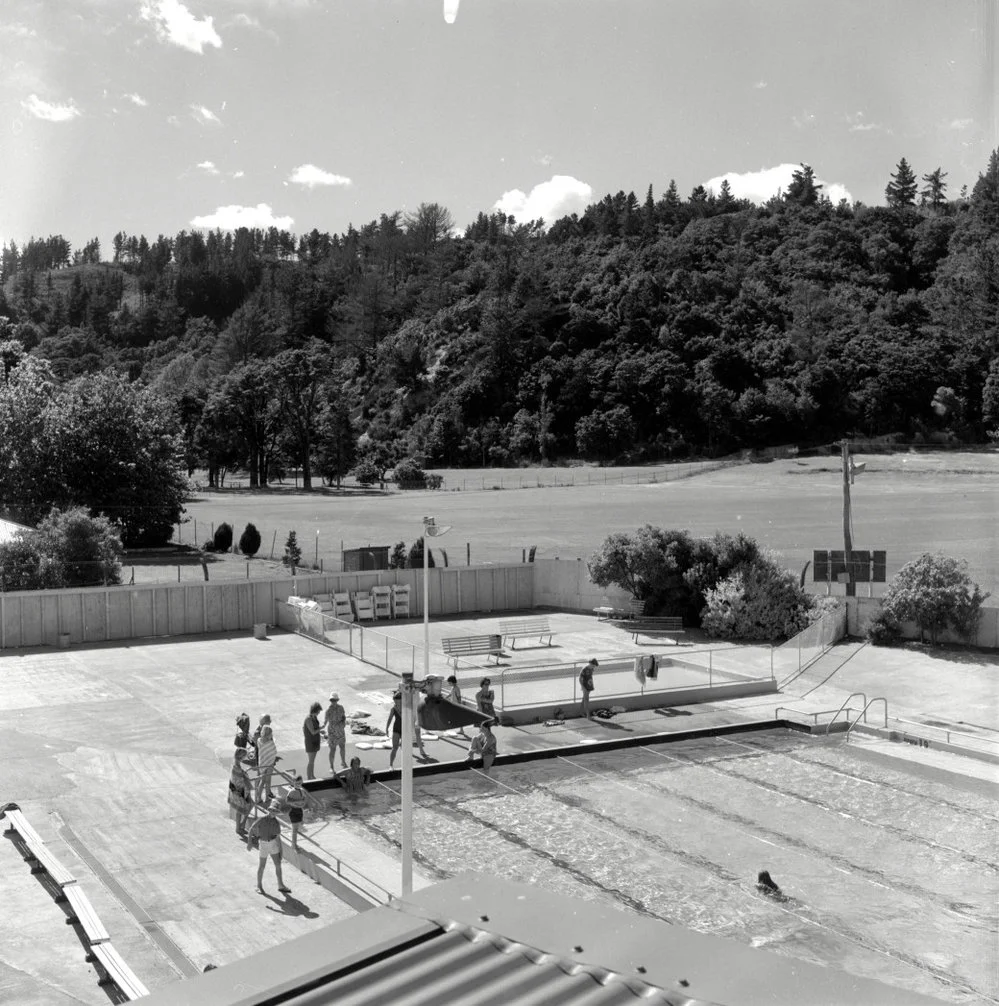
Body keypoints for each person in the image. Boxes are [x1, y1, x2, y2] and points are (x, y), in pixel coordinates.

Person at [246, 800, 290, 895]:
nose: (274, 812)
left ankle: (280, 885)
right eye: (272, 810)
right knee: (262, 866)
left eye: (276, 811)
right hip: (263, 844)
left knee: (278, 864)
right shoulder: (261, 819)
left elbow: (278, 838)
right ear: (269, 809)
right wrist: (249, 843)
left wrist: (281, 851)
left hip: (273, 844)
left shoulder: (276, 823)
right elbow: (251, 829)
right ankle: (259, 885)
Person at [227, 749, 253, 837]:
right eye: (244, 756)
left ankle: (241, 825)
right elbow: (240, 781)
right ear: (241, 757)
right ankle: (239, 827)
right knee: (241, 809)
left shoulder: (236, 765)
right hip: (240, 792)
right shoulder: (236, 768)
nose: (245, 757)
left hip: (238, 791)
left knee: (247, 806)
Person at [324, 692, 348, 772]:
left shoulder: (341, 708)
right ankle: (331, 766)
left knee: (342, 747)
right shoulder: (328, 710)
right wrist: (321, 728)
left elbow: (344, 717)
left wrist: (343, 724)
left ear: (337, 700)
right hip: (332, 732)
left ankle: (343, 762)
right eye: (332, 700)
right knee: (332, 750)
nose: (333, 701)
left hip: (340, 730)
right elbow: (325, 721)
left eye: (334, 700)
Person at [255, 724, 278, 804]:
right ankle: (267, 797)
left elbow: (263, 751)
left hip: (262, 762)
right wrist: (271, 739)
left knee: (262, 780)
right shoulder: (270, 742)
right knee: (267, 781)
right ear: (269, 734)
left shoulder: (259, 740)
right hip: (270, 763)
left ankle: (258, 797)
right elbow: (274, 751)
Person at [284, 775, 308, 851]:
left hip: (299, 810)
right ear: (293, 783)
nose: (298, 784)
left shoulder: (301, 790)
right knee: (295, 829)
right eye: (297, 783)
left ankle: (294, 843)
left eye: (300, 783)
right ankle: (294, 845)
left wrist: (303, 803)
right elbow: (287, 801)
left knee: (297, 827)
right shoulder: (292, 791)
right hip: (293, 811)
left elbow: (304, 799)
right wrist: (298, 802)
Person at [303, 702, 323, 780]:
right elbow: (313, 731)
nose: (319, 713)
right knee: (310, 761)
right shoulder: (308, 719)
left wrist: (320, 732)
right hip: (310, 742)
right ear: (315, 710)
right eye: (318, 711)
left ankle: (312, 775)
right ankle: (309, 777)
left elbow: (315, 730)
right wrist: (321, 728)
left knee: (312, 761)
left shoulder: (314, 717)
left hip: (315, 741)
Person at [386, 691, 403, 769]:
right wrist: (386, 728)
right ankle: (391, 765)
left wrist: (398, 710)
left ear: (401, 700)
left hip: (404, 729)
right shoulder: (393, 709)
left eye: (397, 701)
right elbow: (390, 719)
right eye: (395, 701)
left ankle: (405, 764)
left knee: (404, 747)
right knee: (394, 747)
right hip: (396, 728)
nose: (396, 703)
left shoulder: (405, 707)